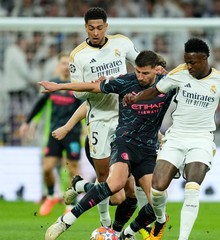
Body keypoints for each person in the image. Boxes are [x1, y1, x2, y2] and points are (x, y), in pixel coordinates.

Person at [123, 38, 220, 240]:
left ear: (205, 59)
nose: (189, 66)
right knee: (157, 190)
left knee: (192, 187)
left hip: (201, 140)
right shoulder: (180, 73)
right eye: (186, 61)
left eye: (193, 62)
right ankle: (159, 221)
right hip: (175, 138)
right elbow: (155, 90)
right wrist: (135, 97)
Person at [39, 50, 175, 240]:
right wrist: (59, 86)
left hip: (148, 150)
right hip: (123, 143)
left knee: (157, 203)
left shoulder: (168, 84)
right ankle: (65, 221)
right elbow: (92, 88)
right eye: (138, 71)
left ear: (156, 70)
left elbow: (192, 81)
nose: (140, 77)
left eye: (145, 73)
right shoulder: (125, 81)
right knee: (115, 186)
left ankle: (124, 235)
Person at [65, 6, 143, 231]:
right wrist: (97, 86)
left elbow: (140, 65)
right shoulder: (78, 55)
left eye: (100, 27)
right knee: (109, 187)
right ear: (85, 28)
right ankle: (93, 203)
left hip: (124, 117)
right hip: (98, 119)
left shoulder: (122, 43)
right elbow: (77, 94)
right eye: (91, 28)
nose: (96, 32)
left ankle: (114, 231)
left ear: (106, 27)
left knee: (129, 190)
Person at [19, 52, 83, 216]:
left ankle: (71, 203)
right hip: (54, 133)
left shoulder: (77, 86)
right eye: (63, 63)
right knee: (47, 168)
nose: (66, 67)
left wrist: (87, 129)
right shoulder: (52, 85)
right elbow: (39, 105)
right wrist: (28, 123)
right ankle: (50, 195)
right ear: (57, 65)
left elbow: (85, 109)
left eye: (69, 64)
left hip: (72, 133)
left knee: (73, 169)